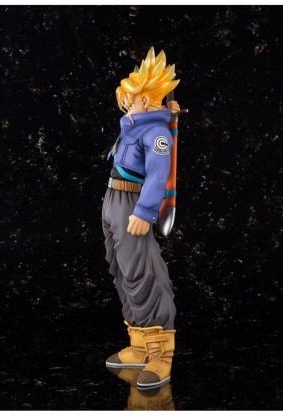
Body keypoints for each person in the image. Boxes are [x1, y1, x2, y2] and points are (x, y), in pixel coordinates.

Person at [102, 47, 181, 389]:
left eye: (131, 100)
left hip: (133, 204)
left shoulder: (155, 134)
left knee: (143, 273)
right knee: (122, 271)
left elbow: (158, 173)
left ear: (145, 101)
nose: (127, 105)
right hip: (114, 200)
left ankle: (161, 354)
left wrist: (145, 211)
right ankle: (139, 345)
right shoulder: (135, 126)